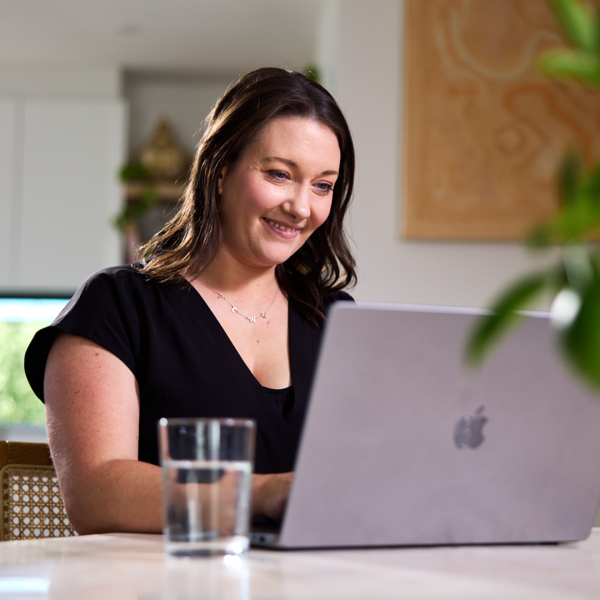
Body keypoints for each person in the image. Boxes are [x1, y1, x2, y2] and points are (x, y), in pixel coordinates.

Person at [24, 67, 357, 535]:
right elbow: (95, 493)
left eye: (322, 185)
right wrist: (264, 492)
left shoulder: (337, 320)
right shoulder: (116, 307)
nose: (302, 207)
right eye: (280, 175)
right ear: (220, 172)